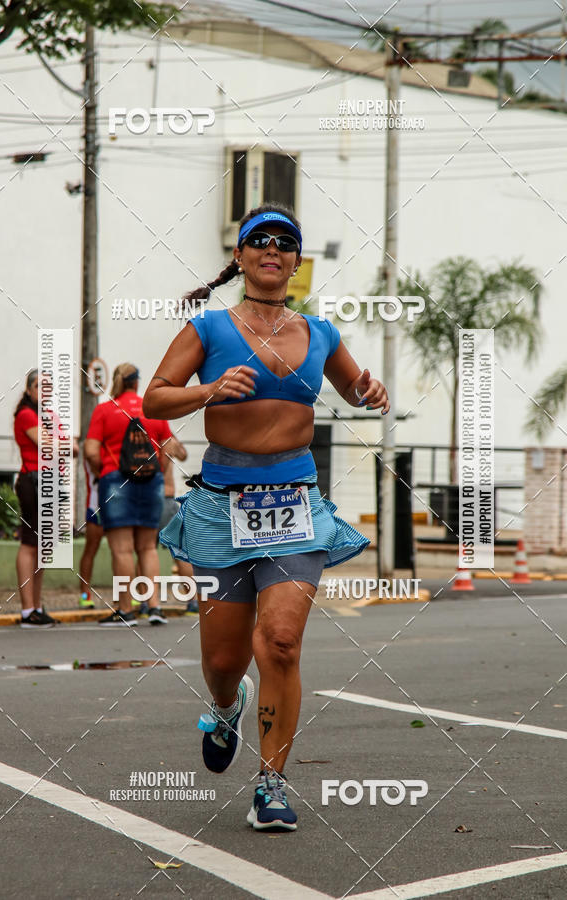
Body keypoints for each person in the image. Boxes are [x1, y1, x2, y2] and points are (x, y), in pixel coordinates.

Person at [143, 202, 390, 831]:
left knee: (280, 642)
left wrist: (371, 391)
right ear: (241, 256)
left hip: (294, 506)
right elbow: (154, 398)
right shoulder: (209, 328)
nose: (271, 249)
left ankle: (271, 784)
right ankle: (226, 709)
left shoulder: (321, 333)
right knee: (225, 661)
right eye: (259, 240)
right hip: (222, 508)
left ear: (297, 261)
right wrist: (208, 390)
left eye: (284, 242)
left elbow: (356, 387)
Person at [84, 363, 174, 626]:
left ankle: (126, 610)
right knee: (148, 547)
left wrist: (102, 470)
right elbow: (166, 449)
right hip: (151, 481)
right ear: (137, 383)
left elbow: (90, 450)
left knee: (122, 550)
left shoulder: (104, 410)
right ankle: (154, 607)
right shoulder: (153, 410)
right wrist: (158, 471)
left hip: (115, 481)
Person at [13, 370, 59, 627]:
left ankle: (36, 607)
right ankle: (27, 610)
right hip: (33, 480)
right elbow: (52, 446)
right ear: (29, 390)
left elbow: (68, 447)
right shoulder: (27, 414)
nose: (46, 390)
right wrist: (60, 442)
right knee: (31, 543)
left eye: (49, 386)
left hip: (47, 480)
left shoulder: (46, 417)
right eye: (41, 386)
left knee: (43, 547)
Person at [158, 434, 200, 615]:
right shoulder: (167, 438)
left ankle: (145, 602)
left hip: (145, 497)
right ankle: (193, 601)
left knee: (143, 549)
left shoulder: (138, 434)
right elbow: (183, 454)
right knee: (180, 552)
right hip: (167, 499)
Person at [77, 458, 104, 609]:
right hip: (96, 505)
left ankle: (129, 595)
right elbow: (97, 468)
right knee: (91, 549)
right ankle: (84, 594)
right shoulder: (91, 446)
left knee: (123, 549)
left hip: (119, 502)